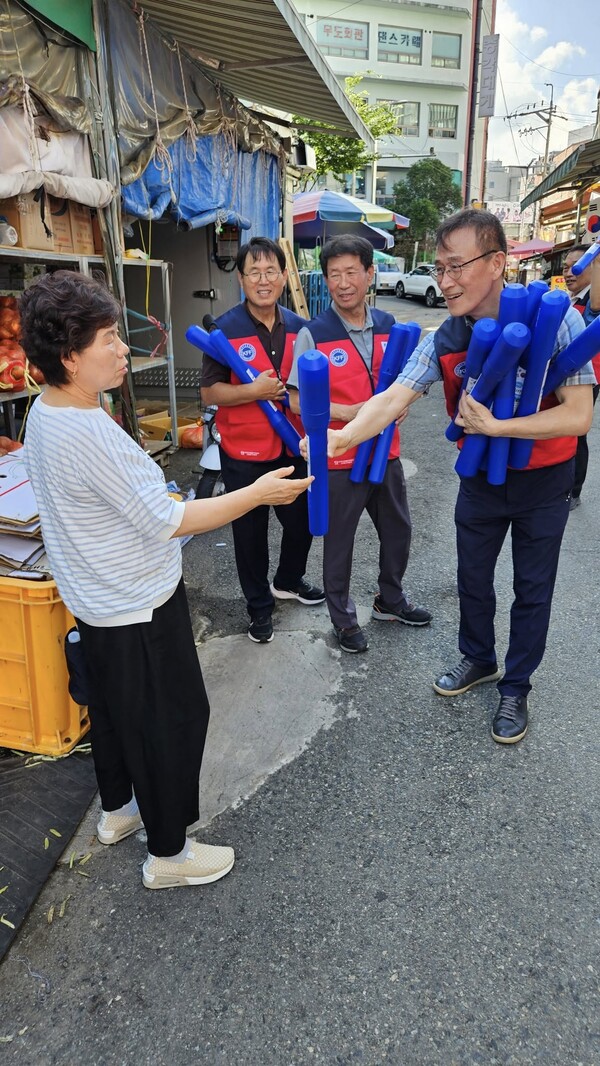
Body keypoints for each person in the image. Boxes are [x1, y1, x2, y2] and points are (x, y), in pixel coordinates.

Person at [19, 270, 311, 890]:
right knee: (171, 720)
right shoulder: (86, 428)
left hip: (96, 601)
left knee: (118, 713)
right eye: (108, 340)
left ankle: (120, 814)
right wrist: (256, 493)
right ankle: (169, 854)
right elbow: (170, 522)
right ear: (69, 356)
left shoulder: (46, 412)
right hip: (136, 604)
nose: (124, 348)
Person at [324, 209, 594, 742]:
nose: (444, 281)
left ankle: (516, 687)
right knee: (472, 578)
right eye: (438, 268)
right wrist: (342, 437)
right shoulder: (446, 335)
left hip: (545, 478)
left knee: (532, 589)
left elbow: (579, 414)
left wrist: (499, 425)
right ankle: (479, 658)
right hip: (479, 480)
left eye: (456, 266)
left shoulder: (554, 316)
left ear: (497, 263)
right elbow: (393, 397)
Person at [288, 234, 431, 654]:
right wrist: (354, 415)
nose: (343, 282)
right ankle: (343, 620)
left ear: (370, 273)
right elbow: (296, 398)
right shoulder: (313, 333)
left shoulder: (391, 327)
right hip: (338, 457)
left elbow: (411, 383)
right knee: (339, 544)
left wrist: (402, 406)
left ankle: (390, 599)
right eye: (334, 274)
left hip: (386, 453)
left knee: (398, 531)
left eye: (352, 272)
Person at [200, 237, 324, 645]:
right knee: (249, 536)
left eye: (271, 271)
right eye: (254, 272)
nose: (263, 279)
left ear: (285, 277)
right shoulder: (225, 330)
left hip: (293, 446)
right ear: (241, 279)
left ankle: (288, 580)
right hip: (244, 452)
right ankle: (259, 609)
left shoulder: (303, 328)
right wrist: (253, 393)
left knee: (302, 521)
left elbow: (314, 386)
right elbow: (210, 393)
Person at [562, 243, 600, 508]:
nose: (568, 272)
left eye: (575, 266)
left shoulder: (593, 297)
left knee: (577, 430)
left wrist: (596, 259)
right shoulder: (569, 299)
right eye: (564, 267)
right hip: (565, 372)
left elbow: (596, 308)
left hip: (589, 374)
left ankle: (573, 491)